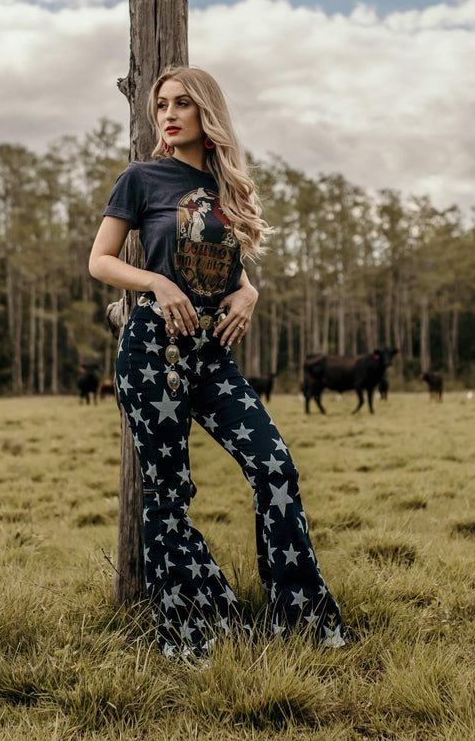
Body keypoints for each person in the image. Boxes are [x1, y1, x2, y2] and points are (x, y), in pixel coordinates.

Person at [89, 65, 346, 657]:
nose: (169, 114)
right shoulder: (141, 178)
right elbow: (101, 261)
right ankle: (199, 627)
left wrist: (249, 290)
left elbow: (224, 258)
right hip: (155, 351)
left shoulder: (230, 189)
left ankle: (301, 620)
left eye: (182, 103)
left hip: (212, 359)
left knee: (275, 468)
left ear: (208, 113)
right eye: (161, 105)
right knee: (170, 494)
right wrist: (156, 283)